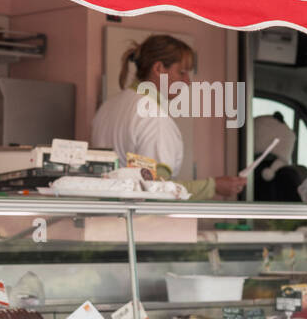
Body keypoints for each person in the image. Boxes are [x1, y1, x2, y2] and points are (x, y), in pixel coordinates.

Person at [91, 34, 247, 200]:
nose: (187, 81)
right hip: (140, 221)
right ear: (158, 69)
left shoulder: (108, 107)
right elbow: (156, 190)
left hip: (105, 218)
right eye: (182, 72)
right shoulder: (153, 118)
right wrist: (213, 186)